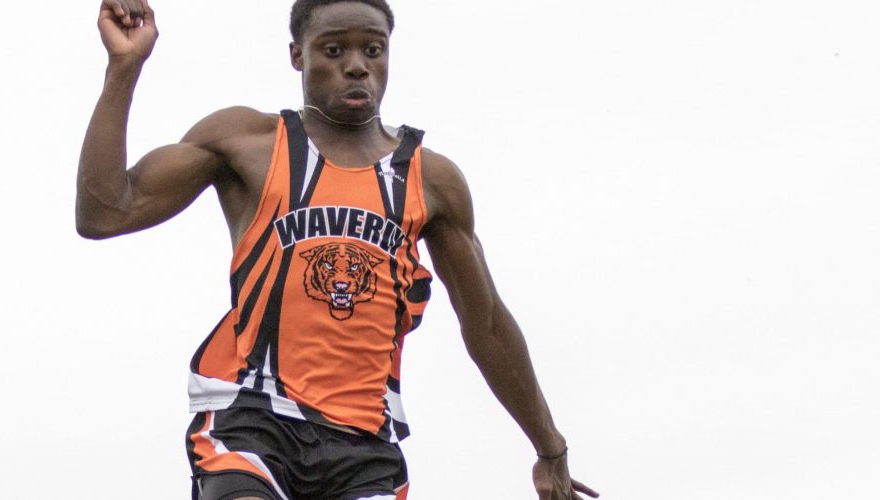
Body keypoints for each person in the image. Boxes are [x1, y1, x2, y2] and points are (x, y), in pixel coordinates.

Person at [77, 1, 598, 498]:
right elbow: (106, 212)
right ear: (297, 55)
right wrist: (124, 67)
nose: (355, 67)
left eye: (372, 50)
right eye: (333, 51)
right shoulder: (247, 142)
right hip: (251, 418)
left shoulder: (429, 179)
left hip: (364, 444)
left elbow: (484, 323)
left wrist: (549, 447)